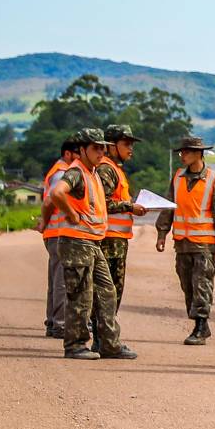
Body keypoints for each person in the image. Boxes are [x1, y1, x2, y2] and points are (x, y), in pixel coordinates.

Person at [46, 128, 134, 360]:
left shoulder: (93, 173)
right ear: (82, 150)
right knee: (80, 295)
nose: (100, 152)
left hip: (91, 242)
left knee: (106, 292)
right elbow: (57, 193)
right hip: (76, 242)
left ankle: (108, 343)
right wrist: (71, 214)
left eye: (103, 147)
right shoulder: (77, 172)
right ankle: (75, 345)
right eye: (95, 148)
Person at [156, 135, 215, 345]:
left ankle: (199, 326)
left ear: (199, 153)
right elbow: (169, 205)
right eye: (182, 151)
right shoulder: (178, 177)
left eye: (186, 151)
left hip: (205, 245)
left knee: (201, 285)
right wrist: (162, 233)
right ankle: (201, 325)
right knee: (187, 285)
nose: (182, 155)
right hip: (182, 243)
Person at [94, 123, 148, 312]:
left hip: (116, 239)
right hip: (108, 240)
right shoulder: (106, 169)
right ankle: (103, 337)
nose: (131, 149)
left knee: (113, 291)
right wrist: (131, 206)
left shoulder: (115, 169)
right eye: (126, 144)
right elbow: (104, 203)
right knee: (107, 291)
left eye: (131, 144)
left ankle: (105, 336)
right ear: (110, 145)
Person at [39, 135, 82, 337]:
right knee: (61, 281)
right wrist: (44, 222)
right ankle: (60, 324)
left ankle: (52, 322)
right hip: (58, 233)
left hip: (53, 233)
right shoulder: (62, 174)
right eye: (77, 153)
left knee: (55, 280)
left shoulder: (59, 171)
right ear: (67, 153)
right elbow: (49, 202)